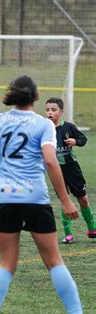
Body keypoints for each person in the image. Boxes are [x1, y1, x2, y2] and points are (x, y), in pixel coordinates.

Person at [0, 76, 82, 314]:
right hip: (35, 197)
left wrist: (5, 166)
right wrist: (66, 200)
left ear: (11, 95)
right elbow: (49, 159)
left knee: (6, 264)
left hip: (4, 197)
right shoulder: (43, 124)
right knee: (54, 261)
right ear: (35, 97)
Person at [45, 97, 95, 244]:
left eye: (53, 110)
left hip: (72, 168)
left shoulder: (69, 127)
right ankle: (68, 234)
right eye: (47, 110)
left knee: (83, 199)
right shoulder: (44, 129)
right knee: (64, 199)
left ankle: (92, 228)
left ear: (61, 112)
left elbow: (83, 139)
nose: (50, 112)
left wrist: (75, 142)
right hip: (56, 170)